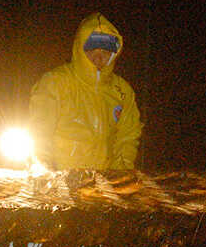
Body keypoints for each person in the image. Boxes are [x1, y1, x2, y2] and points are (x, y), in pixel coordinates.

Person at [29, 13, 142, 171]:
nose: (98, 58)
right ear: (79, 48)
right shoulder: (55, 82)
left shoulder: (122, 91)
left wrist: (120, 174)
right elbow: (39, 131)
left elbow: (128, 136)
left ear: (114, 53)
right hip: (60, 183)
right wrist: (43, 171)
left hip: (104, 186)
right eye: (92, 50)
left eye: (105, 51)